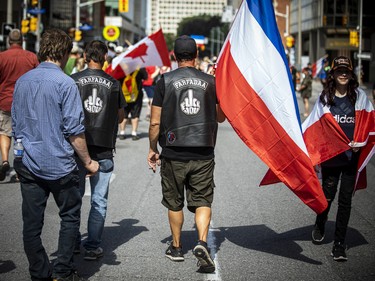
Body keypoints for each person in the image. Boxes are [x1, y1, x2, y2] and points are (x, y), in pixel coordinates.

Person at [11, 28, 99, 281]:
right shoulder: (66, 83)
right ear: (64, 53)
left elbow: (16, 125)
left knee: (31, 225)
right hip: (60, 164)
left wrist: (19, 158)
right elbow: (75, 131)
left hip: (28, 162)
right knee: (70, 217)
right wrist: (89, 162)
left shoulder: (23, 81)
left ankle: (39, 273)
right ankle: (63, 272)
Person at [147, 35, 226, 273]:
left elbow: (154, 123)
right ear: (196, 56)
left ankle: (177, 247)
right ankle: (201, 243)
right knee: (202, 200)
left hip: (173, 152)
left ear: (174, 56)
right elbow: (221, 117)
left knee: (174, 202)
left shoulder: (164, 80)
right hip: (203, 150)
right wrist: (216, 85)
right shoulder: (211, 82)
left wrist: (152, 148)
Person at [310, 56, 373, 261]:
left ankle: (339, 244)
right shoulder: (325, 98)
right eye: (339, 71)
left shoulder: (359, 96)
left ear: (351, 74)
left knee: (345, 202)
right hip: (331, 157)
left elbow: (369, 122)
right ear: (333, 74)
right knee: (327, 197)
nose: (343, 74)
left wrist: (361, 141)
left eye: (346, 71)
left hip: (350, 159)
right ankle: (321, 222)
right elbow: (315, 125)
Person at [71, 40, 126, 260]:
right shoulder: (113, 84)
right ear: (105, 57)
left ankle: (72, 242)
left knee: (73, 198)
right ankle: (92, 247)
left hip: (76, 149)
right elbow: (121, 116)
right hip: (103, 149)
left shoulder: (73, 81)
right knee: (99, 200)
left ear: (85, 56)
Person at [0, 29, 39, 181]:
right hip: (26, 103)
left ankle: (4, 160)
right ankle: (20, 166)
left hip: (5, 102)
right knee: (23, 135)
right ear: (22, 41)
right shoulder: (31, 57)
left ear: (8, 41)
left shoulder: (2, 57)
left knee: (4, 132)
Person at [118, 67, 148, 140]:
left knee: (124, 114)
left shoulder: (121, 68)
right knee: (135, 115)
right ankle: (134, 133)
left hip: (124, 95)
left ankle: (122, 132)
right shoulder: (139, 68)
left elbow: (117, 79)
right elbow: (146, 77)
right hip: (136, 96)